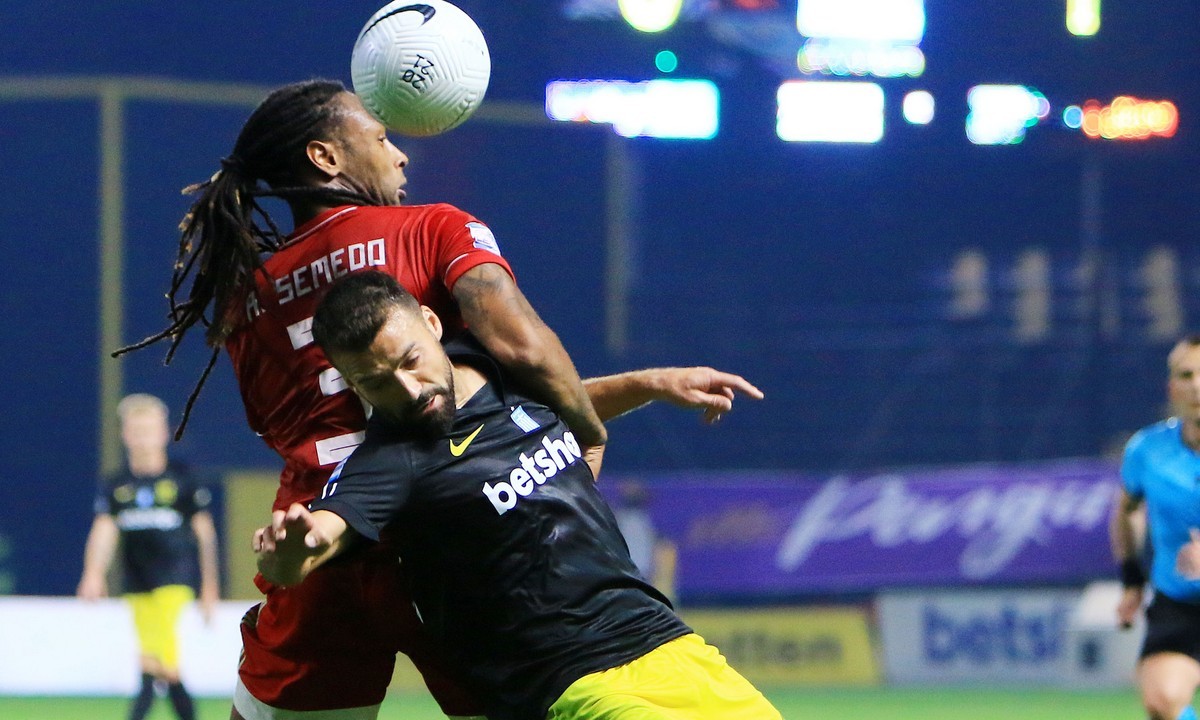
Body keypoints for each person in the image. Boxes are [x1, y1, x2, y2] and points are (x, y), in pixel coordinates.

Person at [116, 78, 763, 720]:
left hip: (327, 550)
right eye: (380, 138)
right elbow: (520, 356)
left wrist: (647, 384)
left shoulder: (247, 299)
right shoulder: (432, 228)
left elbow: (286, 428)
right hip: (462, 553)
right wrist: (587, 429)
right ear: (325, 157)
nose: (400, 155)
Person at [255, 271, 781, 720]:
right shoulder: (391, 459)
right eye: (377, 383)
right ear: (353, 386)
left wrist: (655, 383)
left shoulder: (500, 367)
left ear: (432, 324)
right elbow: (322, 532)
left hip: (663, 638)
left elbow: (563, 405)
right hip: (564, 682)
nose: (409, 391)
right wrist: (291, 552)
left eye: (410, 361)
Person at [77, 393, 220, 720]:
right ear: (125, 435)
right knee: (160, 666)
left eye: (149, 430)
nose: (142, 438)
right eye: (136, 431)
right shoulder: (117, 484)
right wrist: (93, 573)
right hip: (136, 585)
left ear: (163, 433)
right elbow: (104, 530)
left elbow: (205, 534)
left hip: (174, 582)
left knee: (156, 661)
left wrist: (210, 586)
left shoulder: (182, 478)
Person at [1112, 335, 1200, 720]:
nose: (1197, 385)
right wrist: (1132, 578)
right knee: (1162, 700)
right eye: (1186, 375)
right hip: (1179, 602)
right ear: (1171, 388)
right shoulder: (1147, 450)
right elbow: (1128, 510)